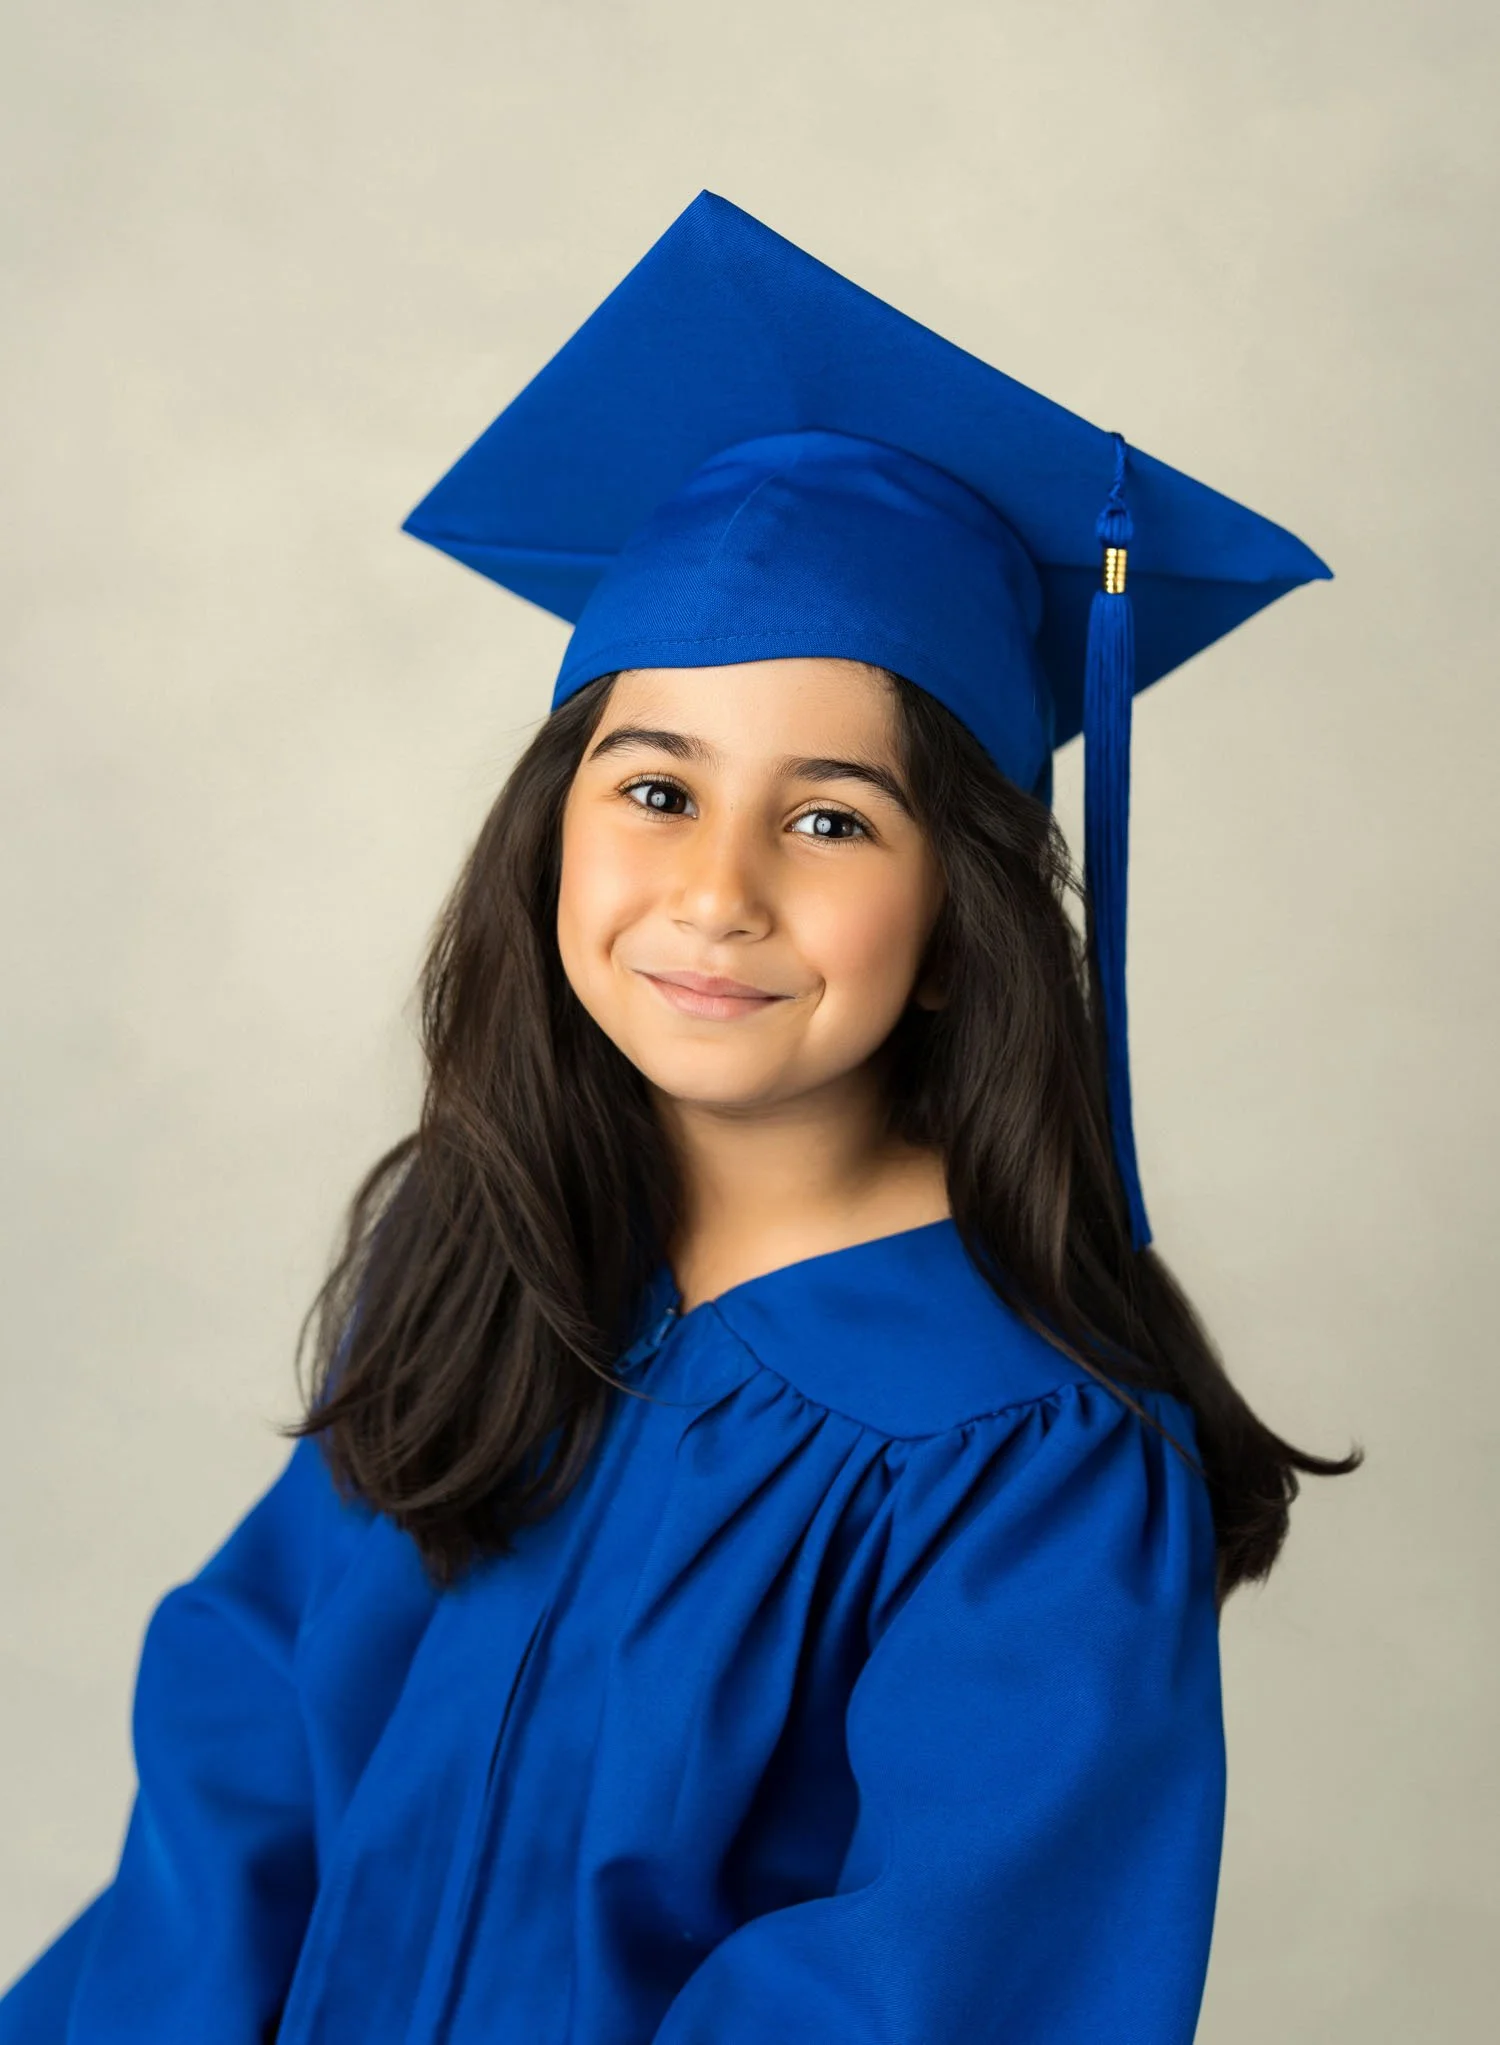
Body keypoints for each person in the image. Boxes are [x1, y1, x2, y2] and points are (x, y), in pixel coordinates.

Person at [0, 190, 1361, 2043]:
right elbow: (246, 1758)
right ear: (549, 836)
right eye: (654, 788)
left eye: (829, 820)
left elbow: (928, 1995)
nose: (717, 893)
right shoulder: (481, 1253)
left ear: (961, 926)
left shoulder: (1024, 1455)